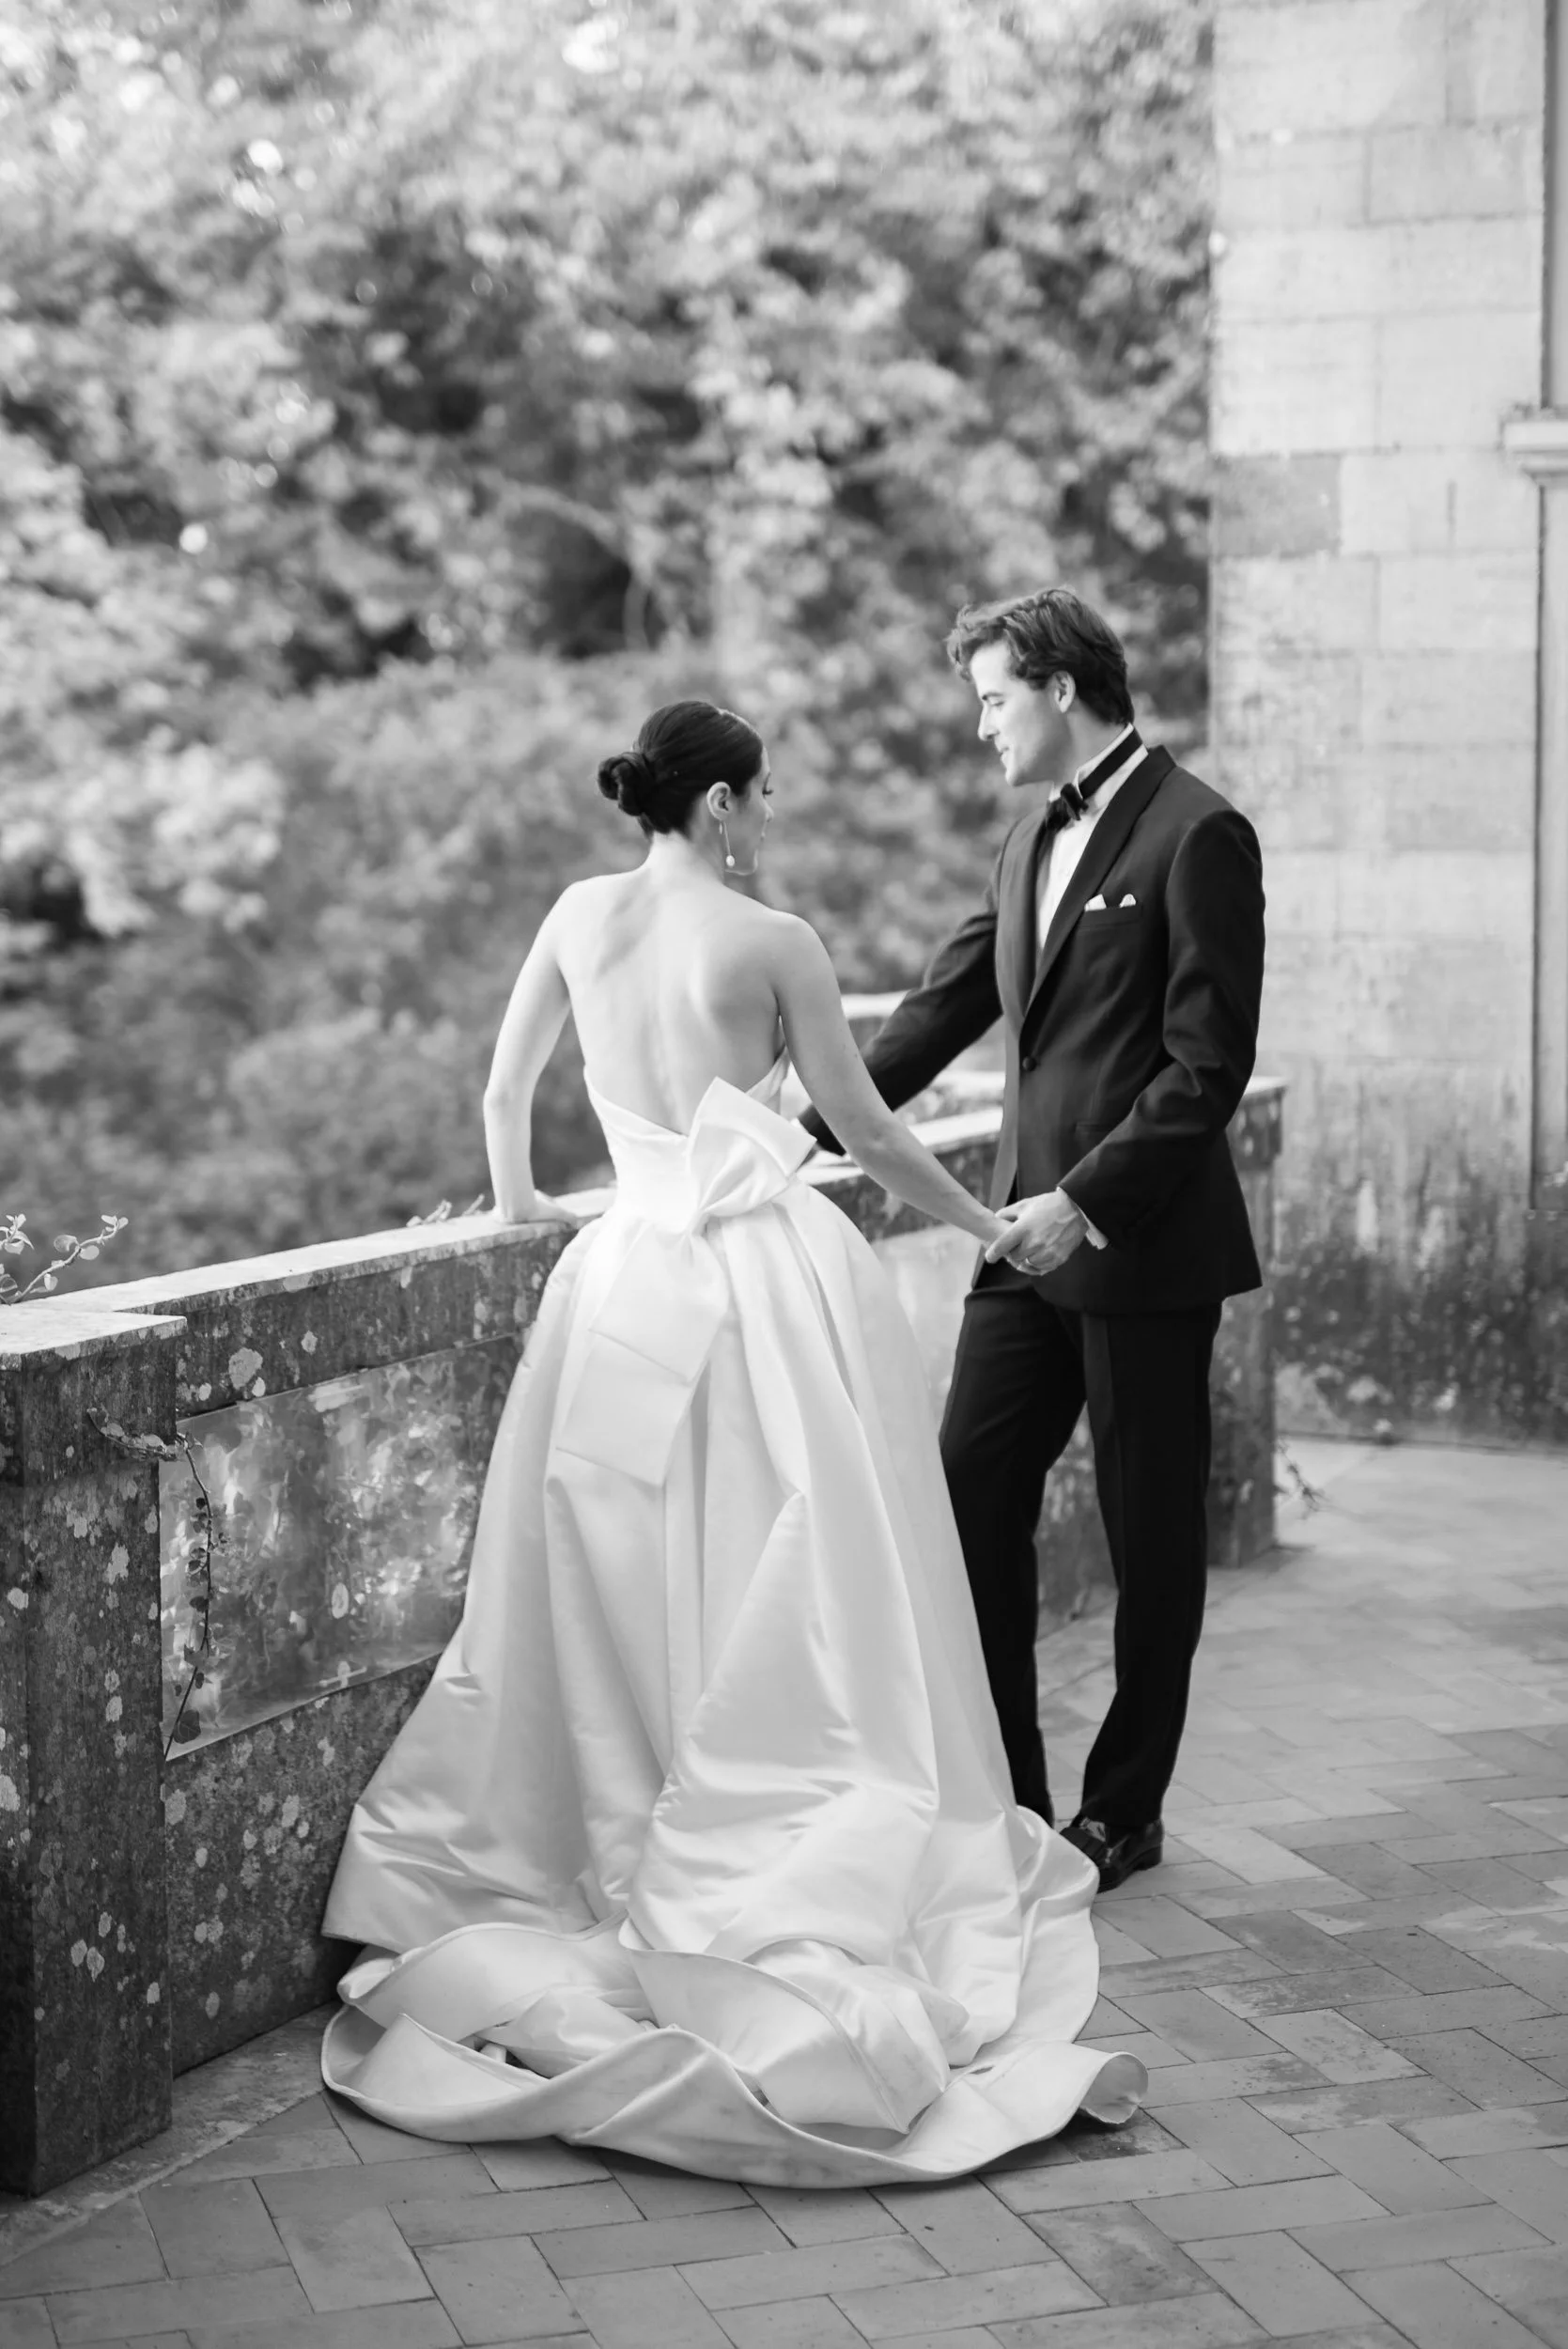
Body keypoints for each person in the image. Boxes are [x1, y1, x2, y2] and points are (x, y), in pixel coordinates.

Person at [320, 698, 1143, 2185]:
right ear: (716, 810)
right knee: (795, 1567)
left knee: (619, 1573)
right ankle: (751, 1830)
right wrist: (988, 1226)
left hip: (624, 1275)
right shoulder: (777, 942)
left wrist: (530, 1215)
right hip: (759, 1289)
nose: (767, 826)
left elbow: (505, 1096)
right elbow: (869, 1135)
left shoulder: (578, 913)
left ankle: (616, 1826)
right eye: (759, 802)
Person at [801, 591, 1265, 1894]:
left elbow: (1205, 1065)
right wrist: (796, 1126)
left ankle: (1125, 1811)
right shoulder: (1024, 845)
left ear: (1062, 689)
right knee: (967, 1499)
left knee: (1150, 1536)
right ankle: (1012, 1799)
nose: (984, 726)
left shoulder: (1201, 834)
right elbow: (942, 1006)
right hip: (1016, 1247)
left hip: (1141, 1248)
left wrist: (1090, 1200)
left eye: (995, 698)